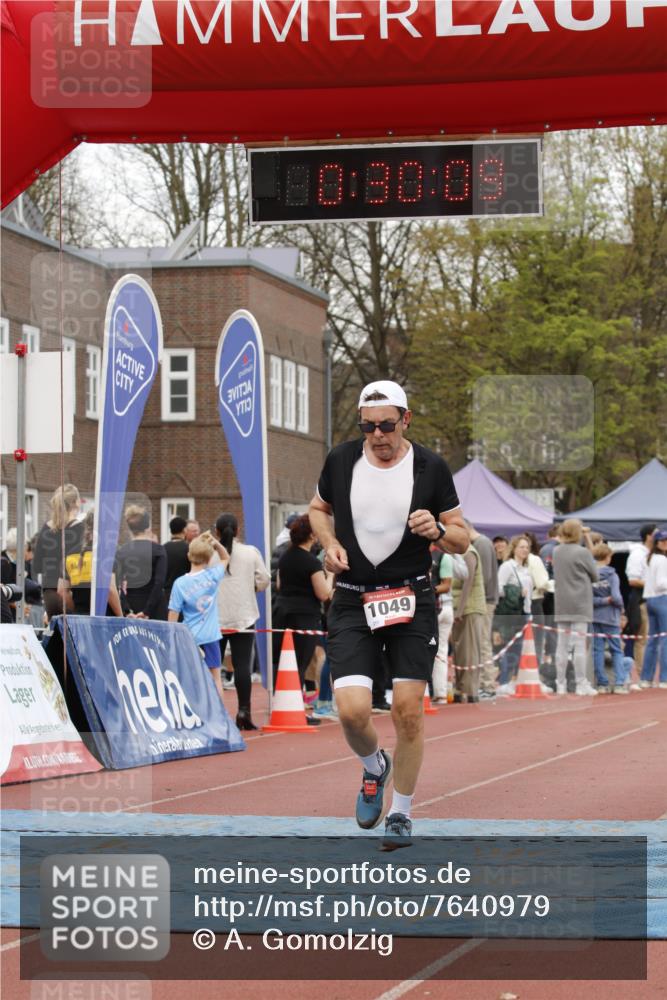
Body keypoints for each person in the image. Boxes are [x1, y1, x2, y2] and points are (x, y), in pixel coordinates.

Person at [309, 379, 467, 848]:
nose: (378, 435)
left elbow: (461, 537)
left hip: (412, 597)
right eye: (369, 426)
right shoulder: (341, 460)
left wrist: (438, 528)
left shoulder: (430, 467)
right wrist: (330, 544)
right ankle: (375, 767)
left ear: (406, 420)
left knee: (407, 712)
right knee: (352, 712)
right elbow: (318, 510)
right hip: (354, 597)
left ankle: (401, 811)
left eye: (387, 425)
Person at [274, 514, 333, 725]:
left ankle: (281, 704)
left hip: (282, 611)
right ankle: (295, 709)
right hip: (304, 615)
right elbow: (324, 594)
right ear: (311, 535)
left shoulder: (285, 556)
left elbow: (279, 585)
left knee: (282, 662)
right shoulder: (310, 561)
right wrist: (331, 574)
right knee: (299, 662)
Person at [215, 512, 271, 731]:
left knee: (212, 667)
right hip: (243, 614)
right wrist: (251, 588)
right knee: (242, 666)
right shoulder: (250, 552)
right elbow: (265, 579)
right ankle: (243, 711)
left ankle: (213, 713)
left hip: (214, 616)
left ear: (217, 532)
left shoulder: (209, 554)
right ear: (237, 531)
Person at [168, 532, 230, 701]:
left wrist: (171, 639)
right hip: (210, 636)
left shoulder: (180, 583)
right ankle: (220, 718)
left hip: (190, 637)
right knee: (216, 677)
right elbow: (225, 557)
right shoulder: (213, 576)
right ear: (209, 558)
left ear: (189, 556)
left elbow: (173, 614)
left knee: (190, 679)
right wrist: (215, 543)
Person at [553, 519, 599, 696]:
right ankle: (580, 683)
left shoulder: (557, 551)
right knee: (579, 645)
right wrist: (587, 537)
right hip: (580, 602)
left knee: (561, 645)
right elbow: (595, 574)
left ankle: (561, 683)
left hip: (562, 602)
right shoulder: (582, 553)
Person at [32, 484, 84, 613]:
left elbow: (37, 565)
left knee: (55, 631)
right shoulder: (81, 528)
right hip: (72, 592)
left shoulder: (46, 528)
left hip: (50, 592)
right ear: (75, 503)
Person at [64, 511, 123, 616]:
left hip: (79, 619)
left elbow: (62, 591)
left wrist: (77, 610)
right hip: (104, 619)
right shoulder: (106, 553)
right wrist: (121, 617)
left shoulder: (70, 555)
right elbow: (110, 589)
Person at [115, 505, 168, 619]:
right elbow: (159, 583)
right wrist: (147, 611)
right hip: (155, 607)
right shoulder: (158, 550)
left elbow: (117, 585)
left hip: (132, 605)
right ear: (148, 526)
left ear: (130, 528)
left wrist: (127, 610)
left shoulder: (122, 552)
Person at [495, 535, 533, 695]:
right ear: (514, 549)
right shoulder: (507, 566)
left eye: (527, 547)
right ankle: (503, 682)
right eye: (521, 547)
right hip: (510, 614)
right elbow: (498, 589)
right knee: (510, 648)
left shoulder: (525, 568)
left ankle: (512, 681)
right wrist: (516, 592)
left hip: (524, 612)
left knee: (518, 649)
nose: (524, 550)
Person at [466, 521, 499, 699]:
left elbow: (483, 577)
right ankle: (485, 683)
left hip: (484, 601)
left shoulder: (482, 544)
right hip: (483, 600)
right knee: (480, 642)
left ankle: (488, 685)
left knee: (483, 642)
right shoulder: (481, 543)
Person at [450, 544, 486, 703]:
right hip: (459, 608)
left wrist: (460, 610)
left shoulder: (469, 553)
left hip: (469, 609)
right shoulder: (457, 552)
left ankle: (470, 690)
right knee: (460, 652)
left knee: (469, 651)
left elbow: (468, 582)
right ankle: (460, 688)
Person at [591, 543, 628, 693]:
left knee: (597, 650)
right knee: (616, 650)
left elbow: (588, 599)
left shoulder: (590, 575)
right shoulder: (612, 575)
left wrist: (600, 601)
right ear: (608, 557)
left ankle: (602, 683)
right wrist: (621, 608)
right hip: (611, 617)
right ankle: (619, 683)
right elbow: (616, 597)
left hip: (595, 617)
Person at [626, 524, 656, 678]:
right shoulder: (638, 554)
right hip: (642, 600)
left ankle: (651, 672)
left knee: (656, 638)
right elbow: (633, 580)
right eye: (656, 533)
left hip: (657, 599)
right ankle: (642, 673)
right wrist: (654, 583)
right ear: (648, 536)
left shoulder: (656, 554)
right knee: (643, 637)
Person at [640, 529, 667, 689]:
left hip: (650, 599)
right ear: (657, 543)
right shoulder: (662, 560)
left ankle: (646, 678)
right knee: (664, 639)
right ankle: (664, 678)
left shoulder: (650, 558)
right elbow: (661, 583)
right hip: (662, 598)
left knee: (653, 640)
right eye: (663, 541)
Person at [163, 516, 190, 605]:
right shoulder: (188, 548)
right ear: (184, 530)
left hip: (167, 595)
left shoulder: (162, 548)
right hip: (185, 593)